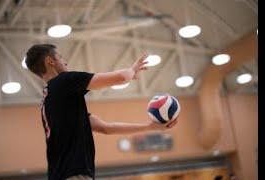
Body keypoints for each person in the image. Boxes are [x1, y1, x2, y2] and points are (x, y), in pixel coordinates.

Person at [25, 44, 179, 180]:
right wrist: (132, 70)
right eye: (60, 57)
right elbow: (120, 77)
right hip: (73, 174)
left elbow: (106, 128)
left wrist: (150, 127)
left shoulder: (52, 100)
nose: (65, 61)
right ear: (50, 61)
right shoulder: (64, 81)